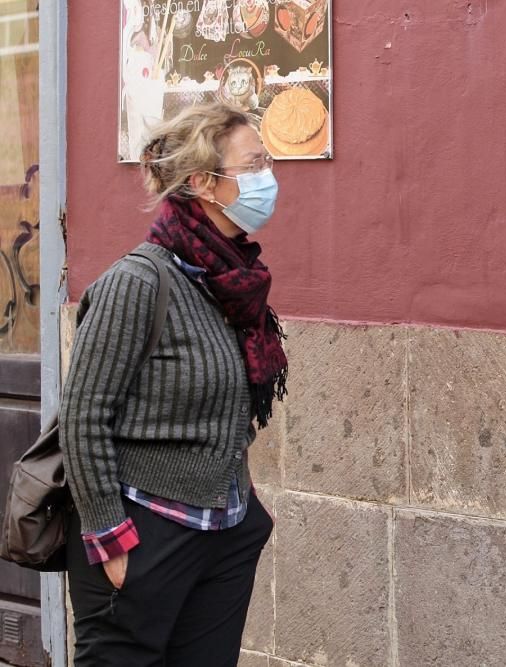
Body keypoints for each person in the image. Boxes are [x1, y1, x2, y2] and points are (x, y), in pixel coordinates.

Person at [61, 102, 287, 666]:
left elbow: (227, 405)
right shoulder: (138, 281)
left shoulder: (227, 279)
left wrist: (241, 501)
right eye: (254, 163)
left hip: (224, 533)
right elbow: (83, 416)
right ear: (205, 183)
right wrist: (109, 540)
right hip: (146, 534)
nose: (269, 176)